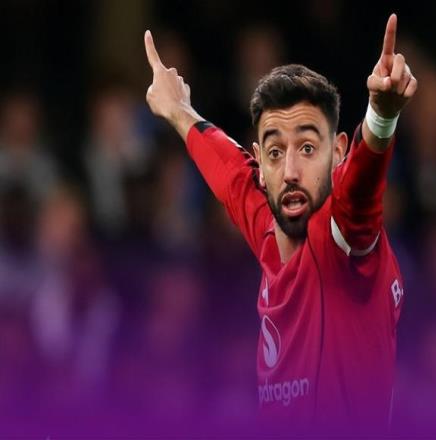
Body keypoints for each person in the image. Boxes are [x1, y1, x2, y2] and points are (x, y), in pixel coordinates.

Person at [144, 13, 417, 434]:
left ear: (338, 153)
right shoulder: (270, 229)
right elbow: (232, 173)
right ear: (261, 162)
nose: (289, 171)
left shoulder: (345, 237)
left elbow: (362, 183)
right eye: (275, 152)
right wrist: (178, 110)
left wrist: (381, 116)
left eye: (307, 148)